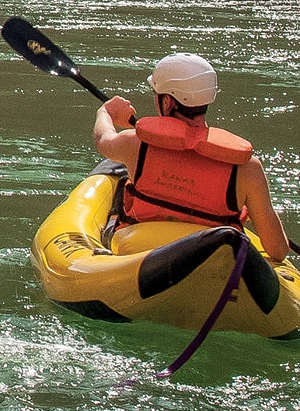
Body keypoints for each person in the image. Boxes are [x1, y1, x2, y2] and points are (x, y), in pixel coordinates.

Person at [93, 53, 289, 261]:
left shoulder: (135, 144)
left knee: (119, 191)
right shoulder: (247, 168)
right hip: (216, 261)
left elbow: (103, 138)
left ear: (167, 101)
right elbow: (278, 251)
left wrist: (105, 112)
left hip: (140, 253)